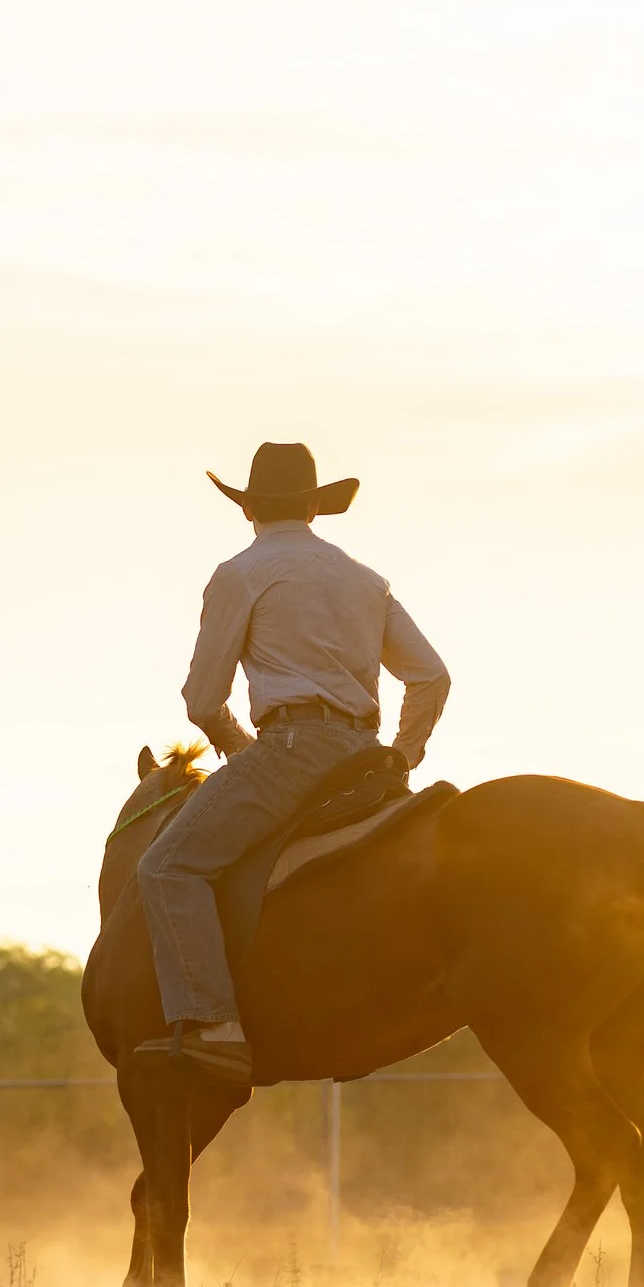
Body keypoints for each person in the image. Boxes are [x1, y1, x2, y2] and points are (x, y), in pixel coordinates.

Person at [133, 443, 450, 1085]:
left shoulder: (240, 574)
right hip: (366, 755)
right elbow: (432, 678)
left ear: (248, 508)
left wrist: (242, 748)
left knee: (167, 865)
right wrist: (402, 756)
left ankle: (215, 1025)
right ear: (314, 505)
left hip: (288, 750)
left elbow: (202, 700)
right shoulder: (366, 579)